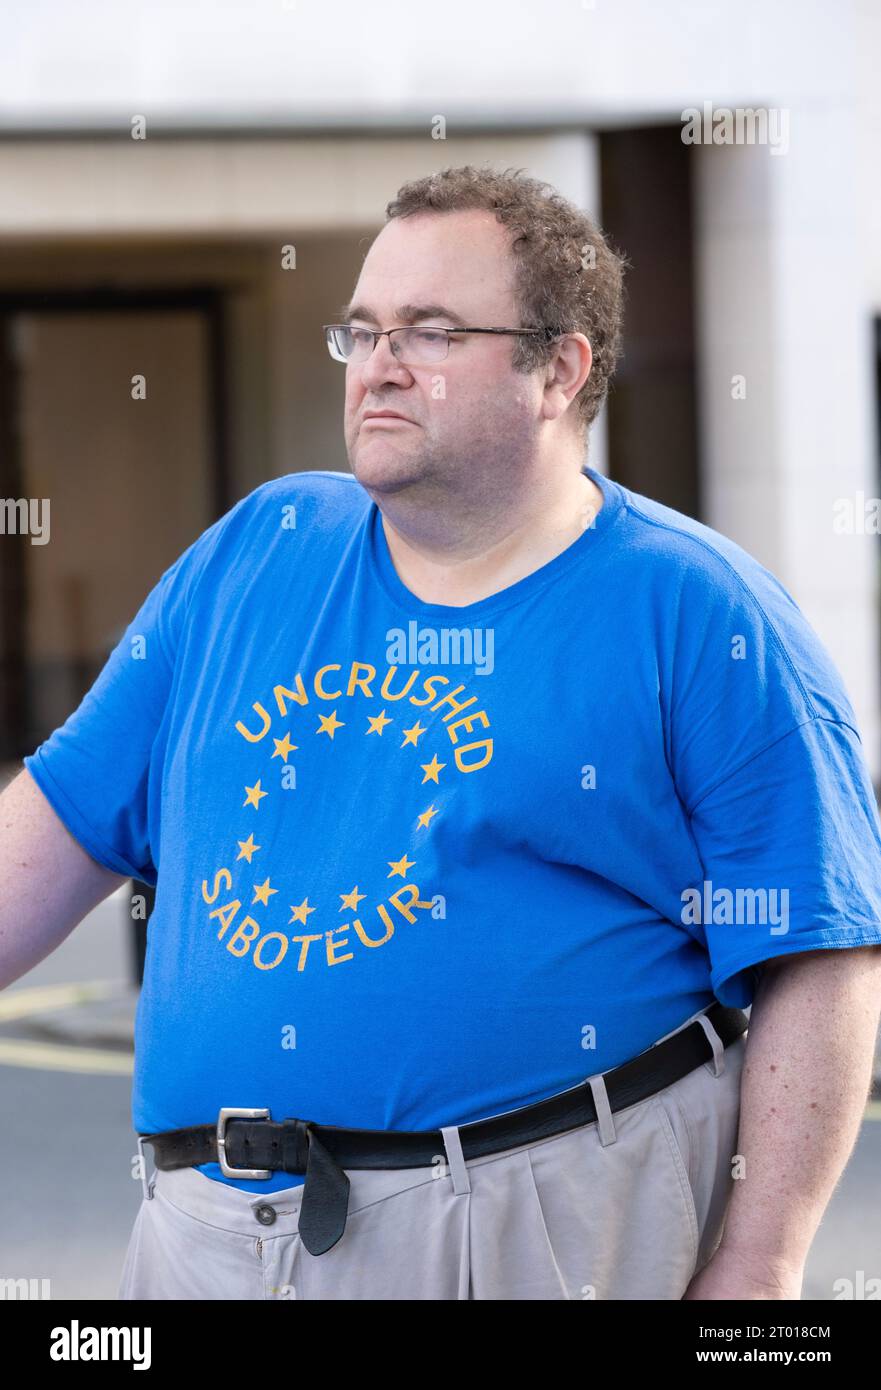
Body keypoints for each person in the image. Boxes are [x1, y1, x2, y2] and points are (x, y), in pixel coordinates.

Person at [2, 164, 881, 1302]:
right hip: (209, 1234)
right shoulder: (255, 551)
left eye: (428, 331)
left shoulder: (696, 611)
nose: (378, 364)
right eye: (362, 331)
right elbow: (56, 824)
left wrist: (759, 1267)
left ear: (556, 368)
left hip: (539, 1227)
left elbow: (819, 954)